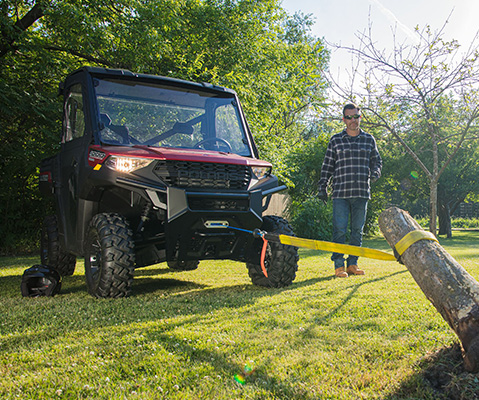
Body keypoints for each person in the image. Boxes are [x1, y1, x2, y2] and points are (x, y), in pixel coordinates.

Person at [318, 103, 382, 278]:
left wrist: (375, 172)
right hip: (340, 193)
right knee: (339, 230)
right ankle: (339, 266)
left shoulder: (369, 140)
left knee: (357, 231)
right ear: (344, 119)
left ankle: (352, 264)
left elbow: (377, 161)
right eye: (349, 117)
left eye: (356, 117)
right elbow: (327, 166)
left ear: (360, 118)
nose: (353, 120)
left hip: (361, 192)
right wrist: (322, 186)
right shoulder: (336, 140)